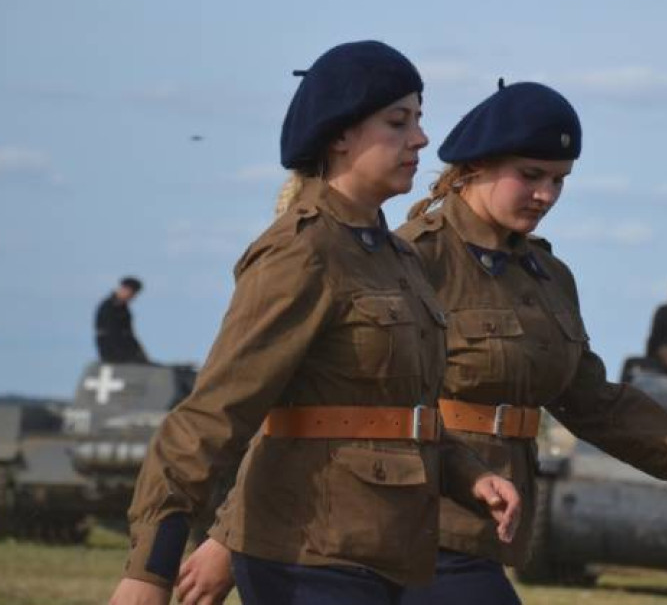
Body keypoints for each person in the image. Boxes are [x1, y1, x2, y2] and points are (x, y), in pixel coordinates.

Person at [178, 79, 667, 605]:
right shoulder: (411, 256)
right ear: (475, 168)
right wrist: (231, 537)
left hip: (484, 529)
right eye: (530, 175)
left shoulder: (549, 279)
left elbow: (596, 403)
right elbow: (300, 399)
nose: (545, 194)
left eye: (558, 180)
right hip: (400, 522)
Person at [108, 41, 521, 605]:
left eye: (419, 120)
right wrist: (149, 569)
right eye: (398, 122)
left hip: (387, 551)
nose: (421, 139)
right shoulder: (301, 252)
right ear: (340, 135)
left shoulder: (397, 259)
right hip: (306, 554)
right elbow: (213, 415)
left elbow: (396, 415)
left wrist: (470, 475)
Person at [95, 276, 150, 364]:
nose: (132, 297)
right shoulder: (108, 307)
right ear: (124, 289)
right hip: (113, 354)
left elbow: (129, 333)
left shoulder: (124, 310)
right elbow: (109, 334)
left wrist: (139, 354)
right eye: (131, 293)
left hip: (126, 351)